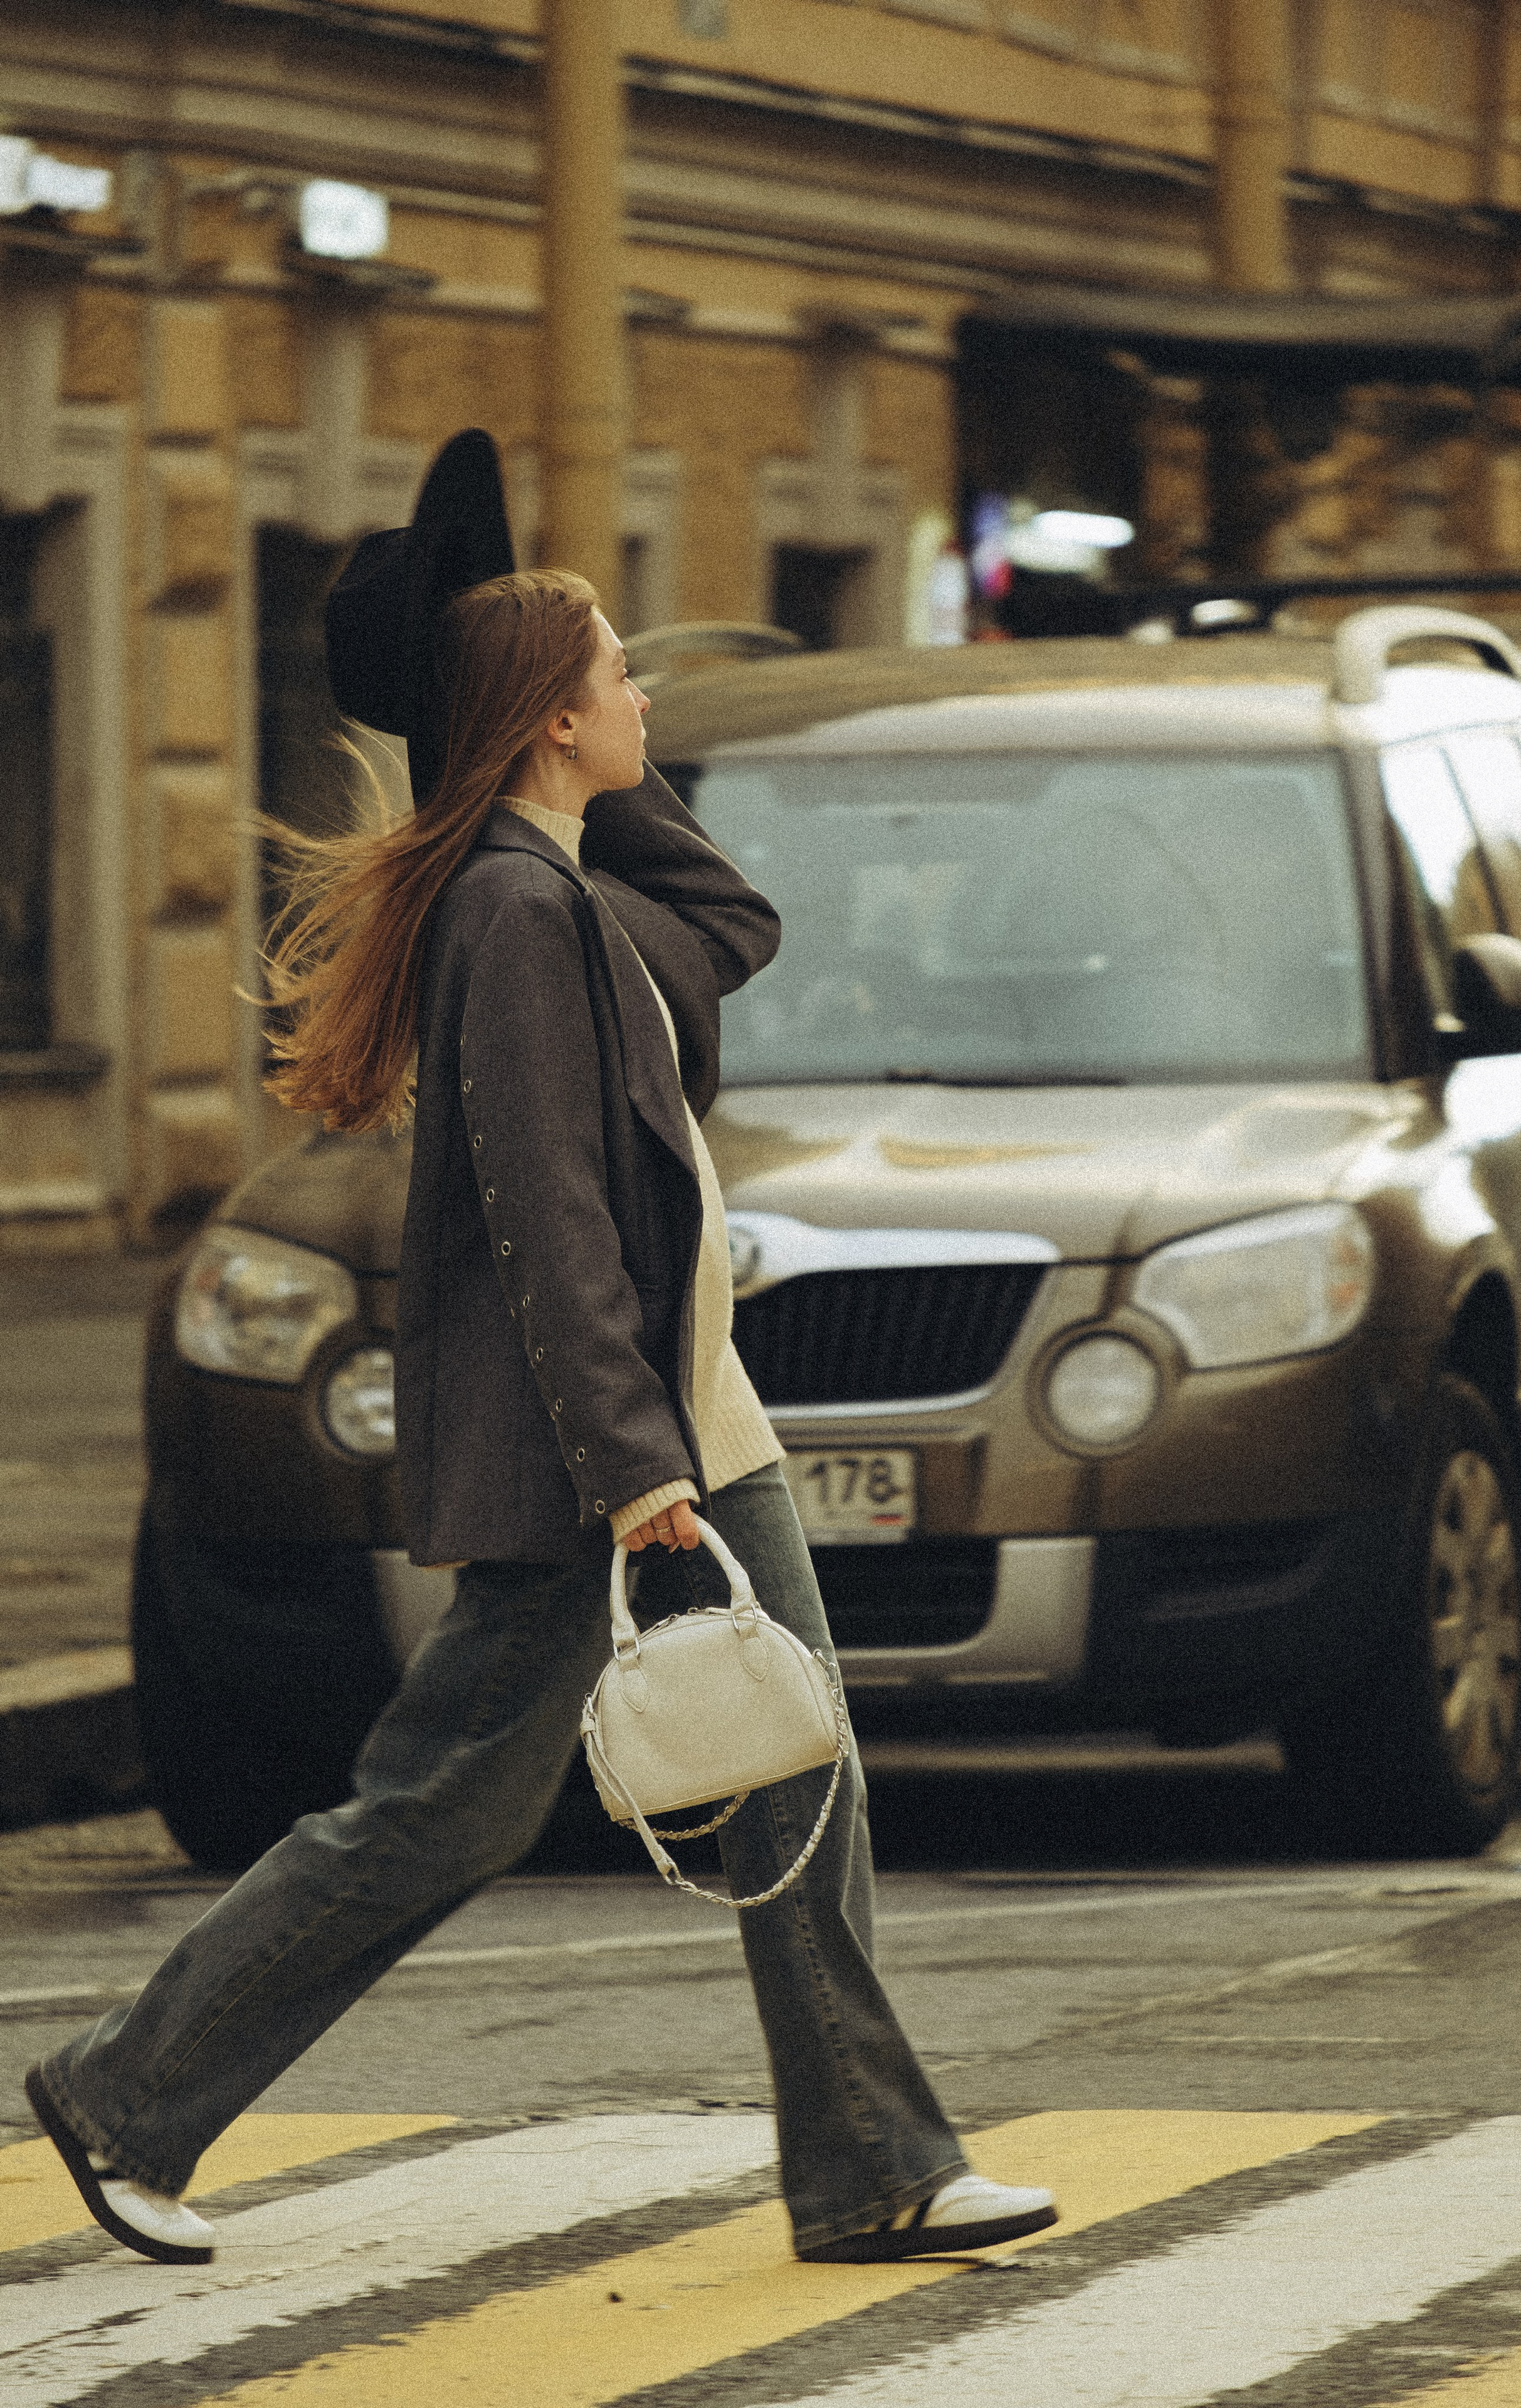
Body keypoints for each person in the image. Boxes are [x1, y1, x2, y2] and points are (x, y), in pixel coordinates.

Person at [24, 432, 1058, 2273]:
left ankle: (872, 2163)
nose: (644, 690)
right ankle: (128, 2092)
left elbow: (735, 925)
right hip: (619, 1444)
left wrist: (515, 709)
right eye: (614, 679)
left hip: (693, 1410)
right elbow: (542, 1212)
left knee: (798, 1767)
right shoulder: (510, 914)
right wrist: (633, 1471)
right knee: (447, 1807)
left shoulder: (573, 887)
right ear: (552, 731)